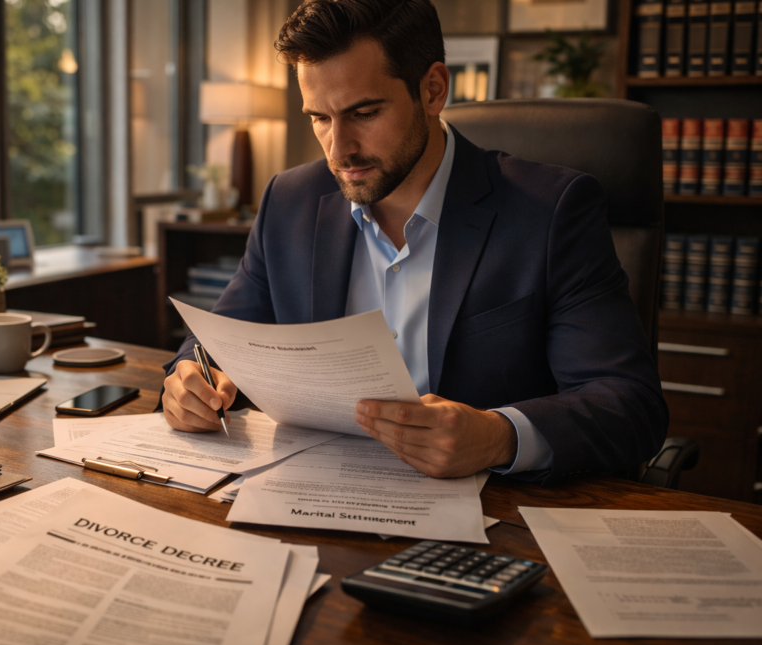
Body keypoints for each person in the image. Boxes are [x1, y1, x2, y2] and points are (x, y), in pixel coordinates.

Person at [161, 0, 667, 485]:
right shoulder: (289, 201)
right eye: (319, 117)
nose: (339, 150)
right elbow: (219, 336)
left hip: (492, 514)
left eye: (364, 112)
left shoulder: (551, 211)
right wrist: (191, 376)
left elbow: (629, 404)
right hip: (311, 494)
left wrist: (497, 437)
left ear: (432, 89)